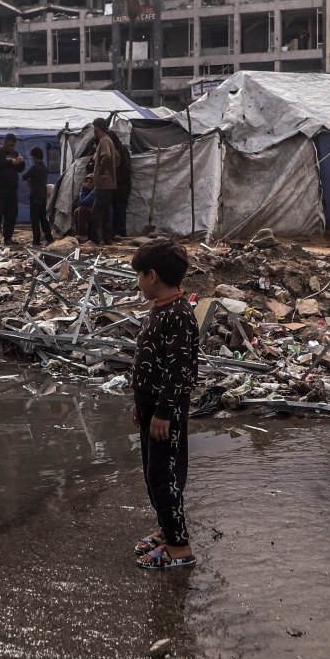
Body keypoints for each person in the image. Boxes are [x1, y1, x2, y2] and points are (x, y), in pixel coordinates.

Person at [130, 239, 200, 570]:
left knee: (165, 477)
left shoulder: (179, 315)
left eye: (139, 275)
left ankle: (179, 547)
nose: (138, 282)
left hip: (164, 414)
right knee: (151, 473)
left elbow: (178, 370)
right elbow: (149, 364)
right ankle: (166, 529)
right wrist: (140, 405)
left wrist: (163, 411)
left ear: (153, 275)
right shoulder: (160, 309)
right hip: (149, 408)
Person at [87, 119, 122, 244]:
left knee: (96, 211)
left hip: (103, 183)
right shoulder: (109, 140)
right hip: (110, 183)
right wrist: (111, 171)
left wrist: (102, 172)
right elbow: (117, 158)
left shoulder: (104, 141)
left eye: (94, 128)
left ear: (97, 128)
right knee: (107, 211)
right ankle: (107, 238)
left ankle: (95, 238)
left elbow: (107, 156)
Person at [0, 134, 24, 248]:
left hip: (12, 189)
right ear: (4, 142)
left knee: (11, 214)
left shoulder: (14, 153)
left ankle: (8, 237)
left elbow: (20, 169)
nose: (11, 147)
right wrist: (10, 162)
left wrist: (21, 162)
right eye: (10, 145)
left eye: (13, 145)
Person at [24, 146, 54, 247]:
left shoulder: (34, 168)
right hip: (43, 196)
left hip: (35, 196)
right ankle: (49, 237)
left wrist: (29, 179)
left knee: (35, 219)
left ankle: (36, 240)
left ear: (34, 156)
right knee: (43, 218)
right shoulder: (44, 168)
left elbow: (24, 176)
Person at [110, 125, 134, 238]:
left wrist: (116, 179)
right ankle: (115, 232)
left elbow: (126, 169)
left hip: (121, 187)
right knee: (114, 210)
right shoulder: (113, 150)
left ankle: (120, 233)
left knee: (120, 210)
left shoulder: (122, 150)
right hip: (114, 187)